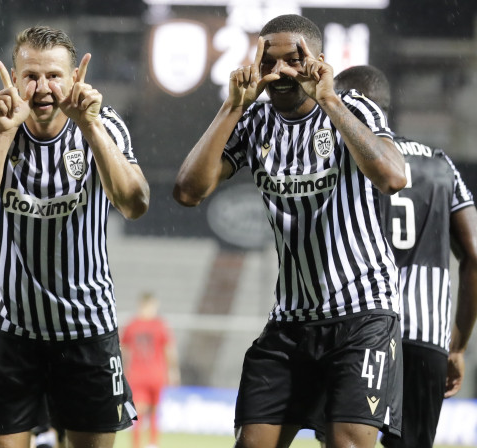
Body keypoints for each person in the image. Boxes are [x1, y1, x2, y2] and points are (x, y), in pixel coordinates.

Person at [173, 14, 408, 448]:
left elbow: (393, 177)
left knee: (348, 443)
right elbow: (189, 191)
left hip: (363, 314)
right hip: (290, 321)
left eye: (294, 61)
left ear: (319, 63)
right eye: (269, 61)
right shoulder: (253, 122)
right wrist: (233, 106)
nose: (280, 73)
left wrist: (331, 101)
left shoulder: (353, 108)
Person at [0, 25, 150, 448]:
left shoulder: (105, 125)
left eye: (54, 76)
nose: (43, 87)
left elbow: (134, 204)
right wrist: (3, 134)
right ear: (14, 77)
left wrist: (91, 127)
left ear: (75, 78)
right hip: (9, 328)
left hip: (87, 328)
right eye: (32, 76)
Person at [334, 65, 477, 448]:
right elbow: (474, 253)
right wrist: (458, 346)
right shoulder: (440, 163)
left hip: (357, 325)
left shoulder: (346, 161)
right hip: (425, 333)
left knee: (343, 442)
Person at [120, 293, 180, 448]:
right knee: (152, 411)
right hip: (154, 374)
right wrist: (173, 371)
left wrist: (123, 371)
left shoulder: (132, 324)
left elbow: (123, 350)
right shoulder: (160, 324)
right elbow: (169, 349)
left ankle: (138, 444)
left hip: (138, 374)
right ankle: (152, 444)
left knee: (139, 412)